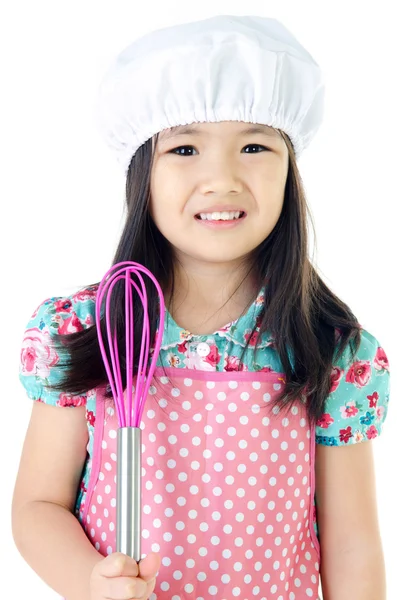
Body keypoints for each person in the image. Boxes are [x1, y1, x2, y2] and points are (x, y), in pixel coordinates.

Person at [12, 14, 390, 600]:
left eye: (255, 146)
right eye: (185, 148)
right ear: (142, 176)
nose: (221, 177)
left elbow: (352, 543)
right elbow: (38, 506)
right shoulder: (90, 331)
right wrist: (92, 583)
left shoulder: (331, 350)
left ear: (290, 171)